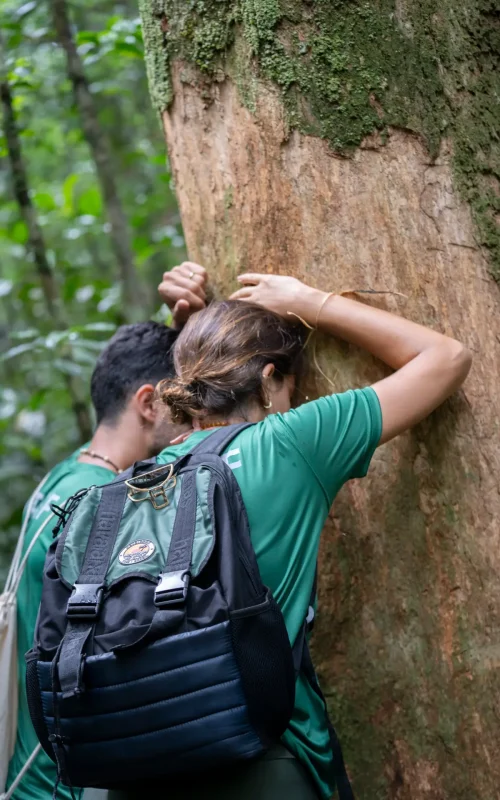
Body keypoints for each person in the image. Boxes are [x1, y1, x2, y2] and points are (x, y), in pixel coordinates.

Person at [144, 270, 471, 800]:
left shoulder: (144, 473)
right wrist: (311, 301)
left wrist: (194, 328)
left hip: (132, 759)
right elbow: (448, 357)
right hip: (258, 760)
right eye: (292, 388)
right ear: (271, 380)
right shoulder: (288, 442)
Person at [6, 263, 207, 800]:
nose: (195, 422)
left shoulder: (67, 478)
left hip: (33, 774)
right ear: (147, 403)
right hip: (66, 785)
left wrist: (184, 320)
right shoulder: (98, 507)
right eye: (184, 406)